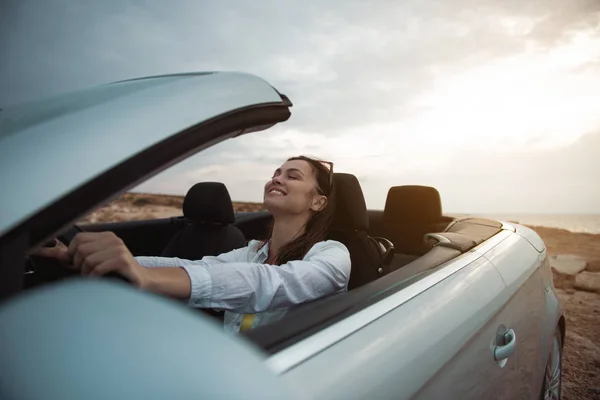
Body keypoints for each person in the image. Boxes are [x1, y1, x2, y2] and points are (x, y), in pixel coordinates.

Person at [37, 156, 351, 333]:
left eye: (292, 176)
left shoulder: (333, 256)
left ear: (319, 202)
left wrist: (144, 276)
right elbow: (197, 267)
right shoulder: (253, 252)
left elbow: (269, 284)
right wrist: (84, 256)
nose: (277, 179)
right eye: (275, 173)